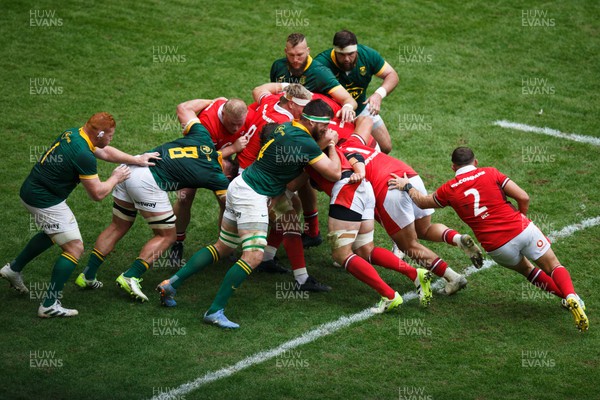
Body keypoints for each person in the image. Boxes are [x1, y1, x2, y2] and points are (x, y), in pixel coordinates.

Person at [156, 99, 342, 329]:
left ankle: (171, 284)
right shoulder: (304, 141)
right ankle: (214, 311)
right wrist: (330, 144)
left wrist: (320, 143)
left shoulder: (287, 127)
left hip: (243, 185)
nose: (327, 130)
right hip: (253, 195)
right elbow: (334, 173)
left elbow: (296, 172)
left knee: (225, 246)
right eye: (324, 126)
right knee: (252, 255)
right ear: (312, 121)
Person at [388, 146, 589, 331]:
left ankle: (564, 297)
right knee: (553, 265)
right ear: (475, 162)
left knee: (528, 270)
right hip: (521, 229)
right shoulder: (490, 172)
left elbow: (423, 202)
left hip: (498, 247)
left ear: (453, 167)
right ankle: (572, 296)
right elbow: (524, 197)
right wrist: (522, 216)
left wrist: (407, 186)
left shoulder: (449, 189)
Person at [0, 112, 158, 317]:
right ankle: (49, 304)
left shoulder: (75, 134)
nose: (111, 138)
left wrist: (136, 159)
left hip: (32, 190)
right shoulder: (82, 154)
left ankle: (13, 269)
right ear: (100, 133)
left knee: (53, 234)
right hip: (45, 200)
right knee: (74, 246)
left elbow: (105, 153)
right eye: (110, 135)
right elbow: (98, 194)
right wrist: (116, 178)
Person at [79, 105, 234, 302]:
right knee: (167, 236)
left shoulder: (202, 136)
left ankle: (88, 275)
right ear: (228, 174)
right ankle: (131, 275)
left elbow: (184, 108)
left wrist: (216, 101)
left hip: (130, 166)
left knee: (118, 225)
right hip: (147, 181)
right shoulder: (218, 177)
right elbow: (230, 204)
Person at [302, 117, 434, 311]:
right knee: (365, 250)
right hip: (365, 190)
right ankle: (416, 273)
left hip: (346, 194)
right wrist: (354, 164)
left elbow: (294, 184)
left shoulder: (309, 151)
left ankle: (389, 296)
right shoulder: (338, 144)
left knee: (341, 254)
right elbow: (357, 156)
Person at [338, 130, 479, 295]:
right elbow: (366, 123)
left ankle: (453, 277)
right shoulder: (353, 141)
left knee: (409, 245)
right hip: (409, 176)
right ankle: (458, 239)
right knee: (424, 229)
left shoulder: (335, 158)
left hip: (390, 187)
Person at [170, 98, 248, 266]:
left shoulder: (245, 118)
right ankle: (177, 242)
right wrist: (233, 148)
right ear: (224, 113)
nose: (236, 128)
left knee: (227, 202)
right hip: (194, 159)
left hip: (222, 162)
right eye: (232, 124)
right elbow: (203, 157)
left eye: (239, 124)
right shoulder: (207, 122)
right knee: (185, 197)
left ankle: (226, 246)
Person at [315, 30, 399, 154]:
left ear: (357, 50)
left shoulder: (368, 55)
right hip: (336, 115)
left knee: (385, 146)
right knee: (345, 152)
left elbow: (392, 75)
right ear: (335, 51)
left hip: (361, 108)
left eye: (351, 54)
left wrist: (378, 94)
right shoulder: (321, 64)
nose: (347, 59)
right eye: (341, 55)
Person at [270, 32, 357, 126]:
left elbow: (348, 99)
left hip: (308, 125)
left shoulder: (320, 73)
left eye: (300, 55)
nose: (295, 60)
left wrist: (348, 107)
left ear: (308, 51)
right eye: (291, 55)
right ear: (285, 51)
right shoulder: (278, 66)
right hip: (282, 120)